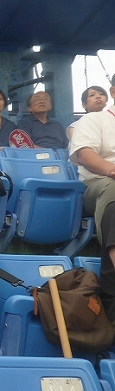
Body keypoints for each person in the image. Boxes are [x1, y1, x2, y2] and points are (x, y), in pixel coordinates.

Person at [70, 76, 115, 321]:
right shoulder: (94, 119)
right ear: (113, 92)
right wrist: (112, 170)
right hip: (99, 183)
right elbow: (85, 155)